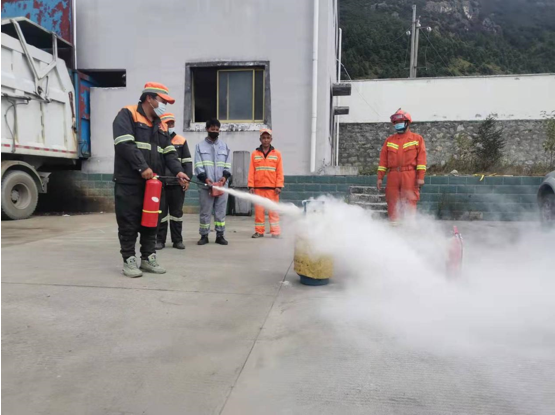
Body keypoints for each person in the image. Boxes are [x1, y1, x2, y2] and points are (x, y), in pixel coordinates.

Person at [112, 82, 189, 277]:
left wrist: (179, 171)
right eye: (163, 101)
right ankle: (129, 260)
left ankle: (148, 258)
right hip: (129, 182)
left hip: (152, 184)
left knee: (151, 221)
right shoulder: (128, 114)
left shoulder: (160, 124)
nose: (164, 106)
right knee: (129, 222)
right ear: (149, 98)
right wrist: (142, 167)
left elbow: (169, 152)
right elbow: (124, 144)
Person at [377, 109, 427, 223]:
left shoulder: (417, 139)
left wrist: (420, 177)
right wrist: (380, 177)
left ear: (407, 122)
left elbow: (421, 160)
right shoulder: (389, 140)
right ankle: (394, 225)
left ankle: (409, 225)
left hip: (409, 174)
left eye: (400, 122)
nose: (397, 124)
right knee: (392, 199)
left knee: (410, 199)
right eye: (395, 123)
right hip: (393, 174)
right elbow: (383, 161)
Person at [156, 113, 193, 250]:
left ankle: (177, 240)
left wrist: (187, 179)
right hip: (161, 184)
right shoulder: (157, 140)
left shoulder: (181, 141)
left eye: (172, 123)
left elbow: (187, 162)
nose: (170, 125)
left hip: (177, 184)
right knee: (161, 214)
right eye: (168, 123)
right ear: (162, 124)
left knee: (176, 214)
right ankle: (160, 240)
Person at [194, 118, 232, 246]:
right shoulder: (199, 146)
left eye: (217, 129)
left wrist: (224, 177)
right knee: (205, 212)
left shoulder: (224, 146)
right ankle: (204, 235)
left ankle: (220, 235)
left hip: (222, 186)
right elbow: (198, 165)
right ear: (207, 129)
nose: (215, 131)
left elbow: (228, 164)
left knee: (220, 211)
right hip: (206, 186)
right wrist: (205, 179)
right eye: (212, 129)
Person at [248, 129, 284, 238]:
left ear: (271, 139)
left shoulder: (277, 154)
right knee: (259, 212)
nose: (266, 140)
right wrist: (251, 185)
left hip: (272, 189)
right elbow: (251, 171)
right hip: (258, 188)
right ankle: (259, 231)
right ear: (260, 139)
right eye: (263, 138)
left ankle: (275, 232)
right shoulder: (255, 154)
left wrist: (279, 186)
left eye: (268, 138)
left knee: (273, 211)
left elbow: (280, 171)